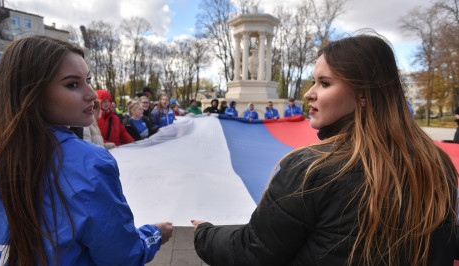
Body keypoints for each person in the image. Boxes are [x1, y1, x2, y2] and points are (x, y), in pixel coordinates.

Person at [192, 34, 458, 265]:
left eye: (325, 83)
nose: (309, 93)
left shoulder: (311, 170)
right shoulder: (437, 163)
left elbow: (253, 251)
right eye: (313, 81)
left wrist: (205, 234)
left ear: (364, 94)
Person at [0, 35, 173, 265]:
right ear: (31, 92)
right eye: (72, 84)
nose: (92, 94)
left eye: (88, 80)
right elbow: (122, 257)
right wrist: (153, 235)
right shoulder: (89, 164)